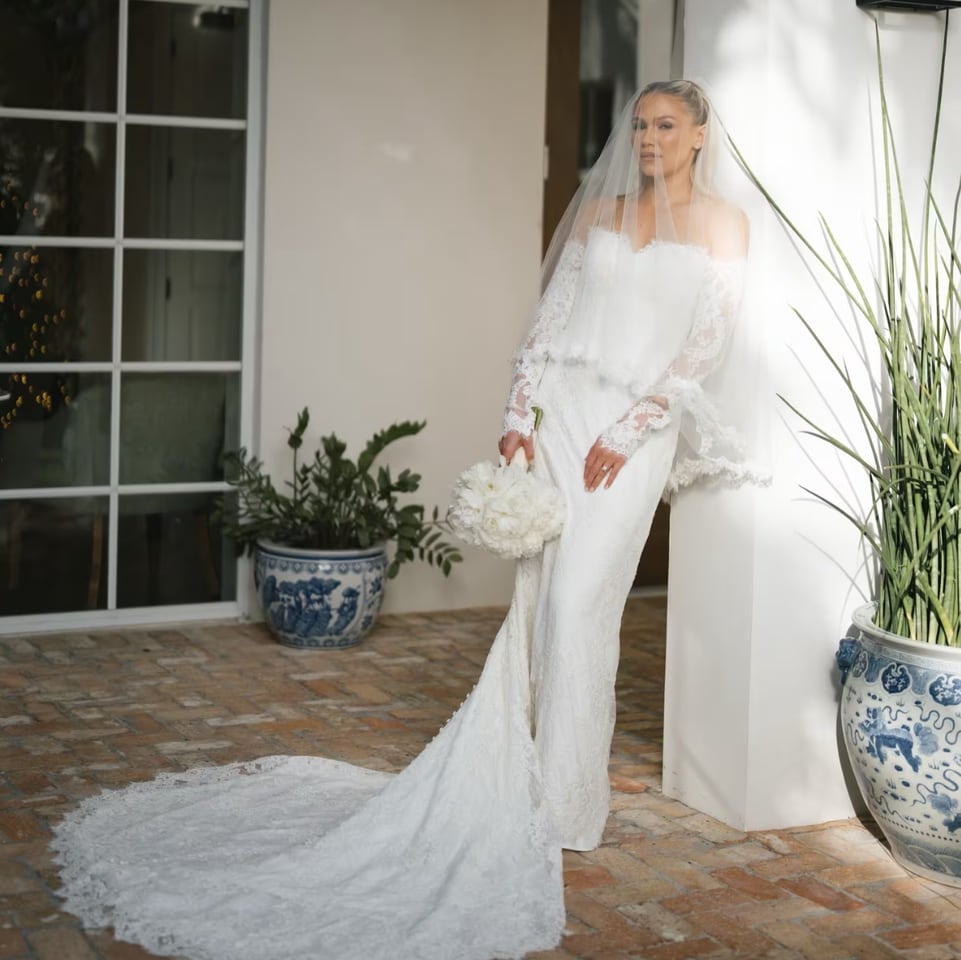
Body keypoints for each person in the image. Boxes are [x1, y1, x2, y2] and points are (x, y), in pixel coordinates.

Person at [50, 81, 763, 960]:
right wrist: (518, 413)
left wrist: (631, 428)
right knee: (537, 602)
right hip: (560, 420)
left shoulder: (724, 225)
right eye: (640, 124)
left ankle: (567, 805)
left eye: (666, 125)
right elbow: (550, 320)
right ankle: (529, 779)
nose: (648, 137)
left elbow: (705, 344)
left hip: (630, 436)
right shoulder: (599, 213)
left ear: (699, 134)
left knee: (580, 603)